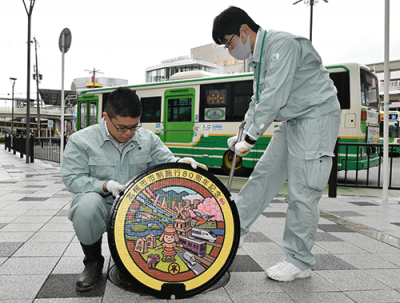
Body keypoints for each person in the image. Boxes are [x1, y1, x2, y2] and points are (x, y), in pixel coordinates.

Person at [212, 6, 341, 282]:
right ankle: (232, 234)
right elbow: (257, 100)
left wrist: (250, 138)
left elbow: (275, 95)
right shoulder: (258, 59)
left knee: (302, 189)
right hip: (293, 120)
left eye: (229, 42)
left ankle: (299, 260)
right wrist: (242, 132)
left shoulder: (282, 44)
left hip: (316, 116)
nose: (230, 49)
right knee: (263, 175)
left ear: (244, 30)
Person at [61, 87, 206, 292]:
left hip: (137, 208)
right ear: (106, 117)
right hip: (102, 202)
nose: (128, 133)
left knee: (155, 211)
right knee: (86, 207)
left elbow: (167, 164)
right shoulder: (81, 140)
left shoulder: (148, 139)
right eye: (121, 127)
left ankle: (129, 263)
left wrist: (182, 163)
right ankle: (93, 262)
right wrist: (105, 186)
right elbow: (72, 178)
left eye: (134, 127)